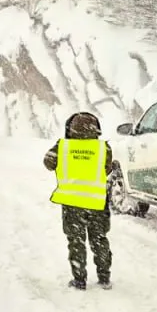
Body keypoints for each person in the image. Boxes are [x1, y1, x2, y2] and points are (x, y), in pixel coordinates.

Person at [43, 112, 119, 290]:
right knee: (99, 239)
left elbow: (48, 162)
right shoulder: (103, 149)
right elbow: (107, 168)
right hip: (97, 202)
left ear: (70, 129)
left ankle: (79, 280)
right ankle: (104, 277)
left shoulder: (62, 147)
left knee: (76, 242)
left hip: (72, 203)